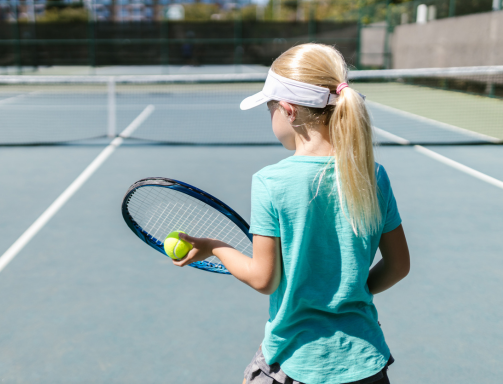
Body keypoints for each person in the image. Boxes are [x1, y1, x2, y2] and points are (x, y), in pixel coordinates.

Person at [173, 43, 410, 384]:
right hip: (366, 361)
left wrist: (214, 247)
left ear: (289, 110)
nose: (269, 115)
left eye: (269, 107)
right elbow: (399, 265)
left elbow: (264, 278)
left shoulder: (271, 182)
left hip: (297, 362)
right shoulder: (374, 175)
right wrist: (351, 292)